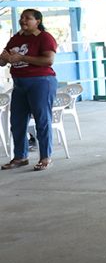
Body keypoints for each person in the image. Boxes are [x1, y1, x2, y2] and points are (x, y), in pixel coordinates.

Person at [1, 9, 58, 171]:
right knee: (17, 122)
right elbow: (2, 60)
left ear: (37, 21)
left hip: (41, 82)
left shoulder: (44, 38)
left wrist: (22, 58)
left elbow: (48, 60)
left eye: (28, 18)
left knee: (42, 120)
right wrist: (4, 58)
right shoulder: (16, 38)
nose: (23, 20)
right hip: (19, 84)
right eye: (21, 18)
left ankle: (45, 157)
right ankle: (20, 156)